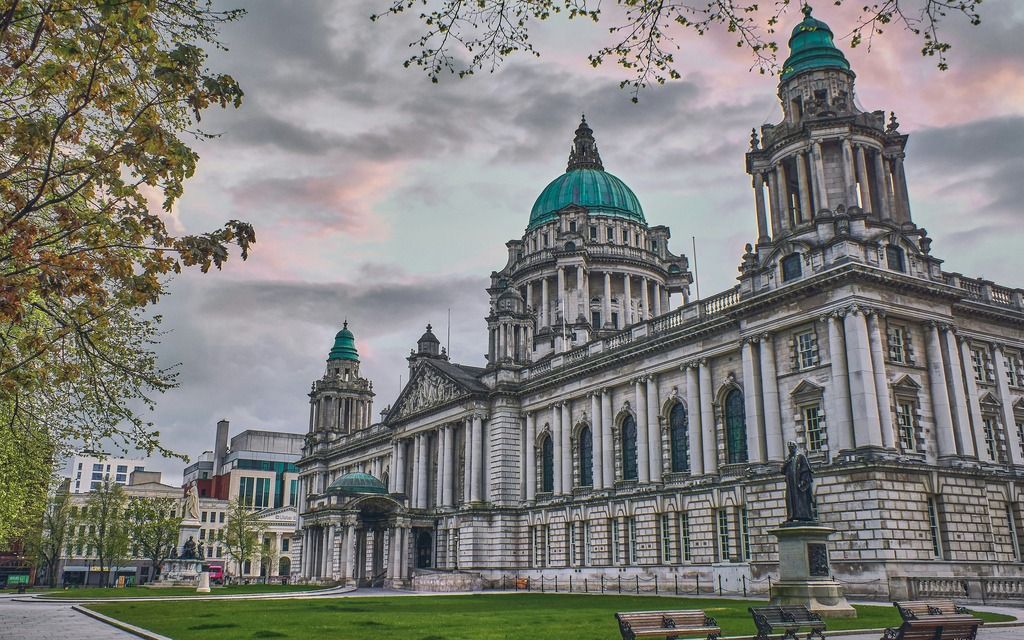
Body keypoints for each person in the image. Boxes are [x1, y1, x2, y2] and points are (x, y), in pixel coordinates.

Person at [782, 441, 816, 523]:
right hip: (790, 484)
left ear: (795, 447)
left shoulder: (800, 456)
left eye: (791, 447)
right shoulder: (788, 458)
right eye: (789, 447)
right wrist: (786, 463)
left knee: (801, 500)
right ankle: (791, 516)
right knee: (790, 500)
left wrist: (803, 481)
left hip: (799, 484)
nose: (790, 449)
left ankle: (804, 516)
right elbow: (782, 471)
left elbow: (805, 469)